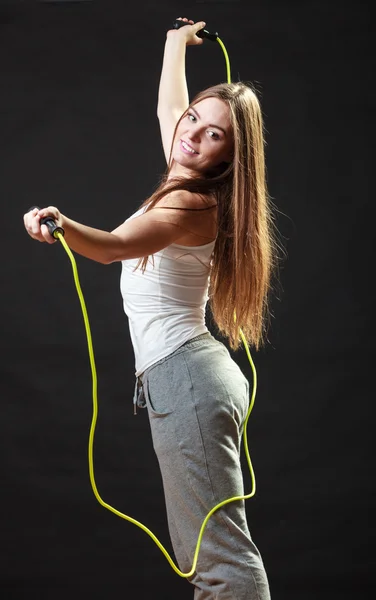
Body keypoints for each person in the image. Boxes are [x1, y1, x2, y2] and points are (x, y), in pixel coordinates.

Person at [23, 16, 278, 600]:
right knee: (203, 553)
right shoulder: (184, 166)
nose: (192, 135)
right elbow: (171, 113)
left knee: (219, 561)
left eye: (216, 135)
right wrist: (173, 45)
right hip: (187, 377)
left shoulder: (192, 202)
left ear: (230, 157)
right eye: (196, 120)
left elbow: (113, 248)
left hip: (189, 380)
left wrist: (60, 224)